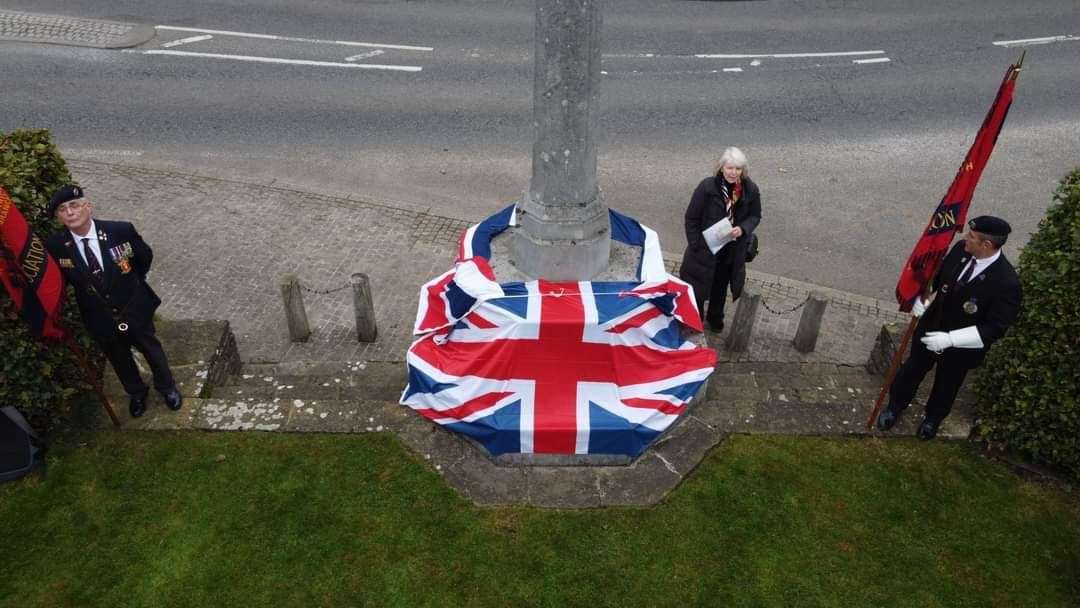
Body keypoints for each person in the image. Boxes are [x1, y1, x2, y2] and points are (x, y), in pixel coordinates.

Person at [878, 215, 1022, 439]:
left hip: (961, 347)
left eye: (972, 237)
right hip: (932, 327)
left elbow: (995, 328)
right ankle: (895, 406)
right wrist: (923, 299)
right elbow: (939, 277)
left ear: (987, 245)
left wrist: (950, 339)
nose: (966, 238)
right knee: (911, 371)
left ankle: (933, 419)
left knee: (947, 385)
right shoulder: (961, 250)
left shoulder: (1006, 283)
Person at [44, 185, 182, 418]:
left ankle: (167, 387)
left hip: (132, 308)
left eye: (74, 205)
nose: (70, 212)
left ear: (88, 207)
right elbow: (61, 280)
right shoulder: (56, 246)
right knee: (118, 357)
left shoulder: (120, 231)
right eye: (62, 209)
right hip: (98, 315)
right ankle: (137, 392)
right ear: (58, 216)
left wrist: (129, 283)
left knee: (151, 349)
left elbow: (143, 257)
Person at [679, 147, 762, 332]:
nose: (733, 173)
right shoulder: (707, 188)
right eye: (730, 168)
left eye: (738, 169)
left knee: (720, 287)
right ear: (721, 167)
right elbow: (691, 218)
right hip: (704, 250)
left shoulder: (750, 190)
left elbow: (755, 216)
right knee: (698, 288)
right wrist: (695, 245)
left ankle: (715, 318)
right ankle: (696, 319)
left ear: (743, 170)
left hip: (731, 251)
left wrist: (743, 228)